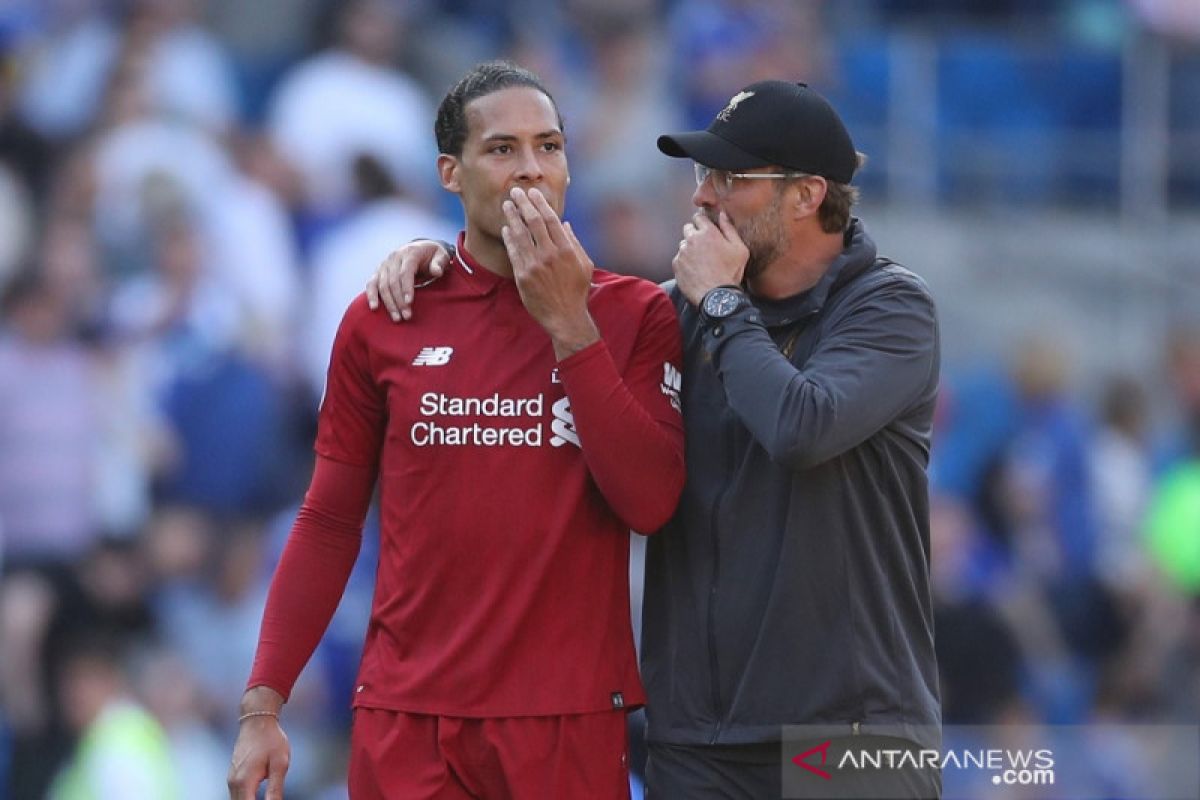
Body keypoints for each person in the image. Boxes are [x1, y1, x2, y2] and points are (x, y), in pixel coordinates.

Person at [368, 79, 942, 798]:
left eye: (732, 179)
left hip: (856, 734)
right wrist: (442, 262)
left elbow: (801, 427)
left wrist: (726, 304)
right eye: (703, 174)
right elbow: (552, 311)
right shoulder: (678, 313)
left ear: (807, 195)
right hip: (698, 741)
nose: (702, 197)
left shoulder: (891, 308)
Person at [228, 61, 685, 800]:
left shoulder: (636, 314)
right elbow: (328, 517)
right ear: (451, 171)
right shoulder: (386, 316)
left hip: (564, 719)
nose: (532, 170)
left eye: (550, 146)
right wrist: (263, 703)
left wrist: (571, 327)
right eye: (502, 149)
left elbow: (651, 502)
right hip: (406, 719)